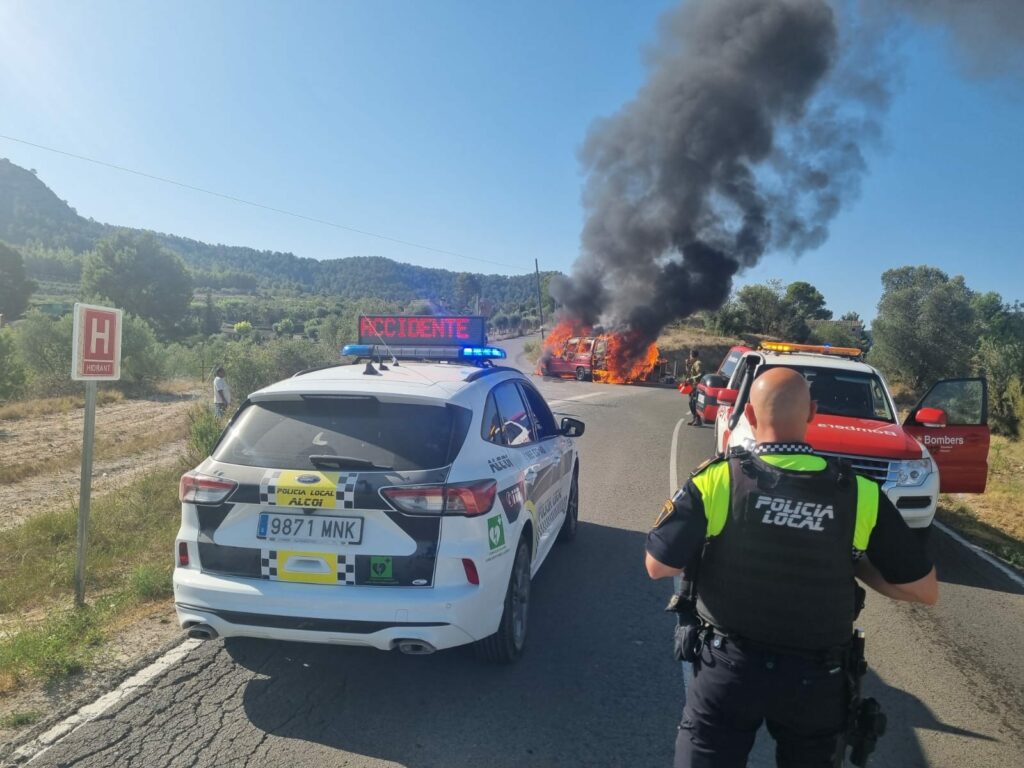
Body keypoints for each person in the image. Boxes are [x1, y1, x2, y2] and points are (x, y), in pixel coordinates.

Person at [645, 367, 937, 768]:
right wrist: (852, 562)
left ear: (748, 413)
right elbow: (925, 589)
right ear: (812, 413)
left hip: (728, 670)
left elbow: (658, 565)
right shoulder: (860, 493)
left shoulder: (718, 479)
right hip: (817, 681)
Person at [685, 350, 703, 426]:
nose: (689, 357)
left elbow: (701, 374)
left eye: (690, 356)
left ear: (693, 356)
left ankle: (698, 420)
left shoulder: (698, 363)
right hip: (692, 386)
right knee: (691, 403)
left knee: (694, 403)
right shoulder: (693, 363)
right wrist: (686, 365)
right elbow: (688, 372)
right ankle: (694, 419)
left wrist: (692, 379)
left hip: (696, 387)